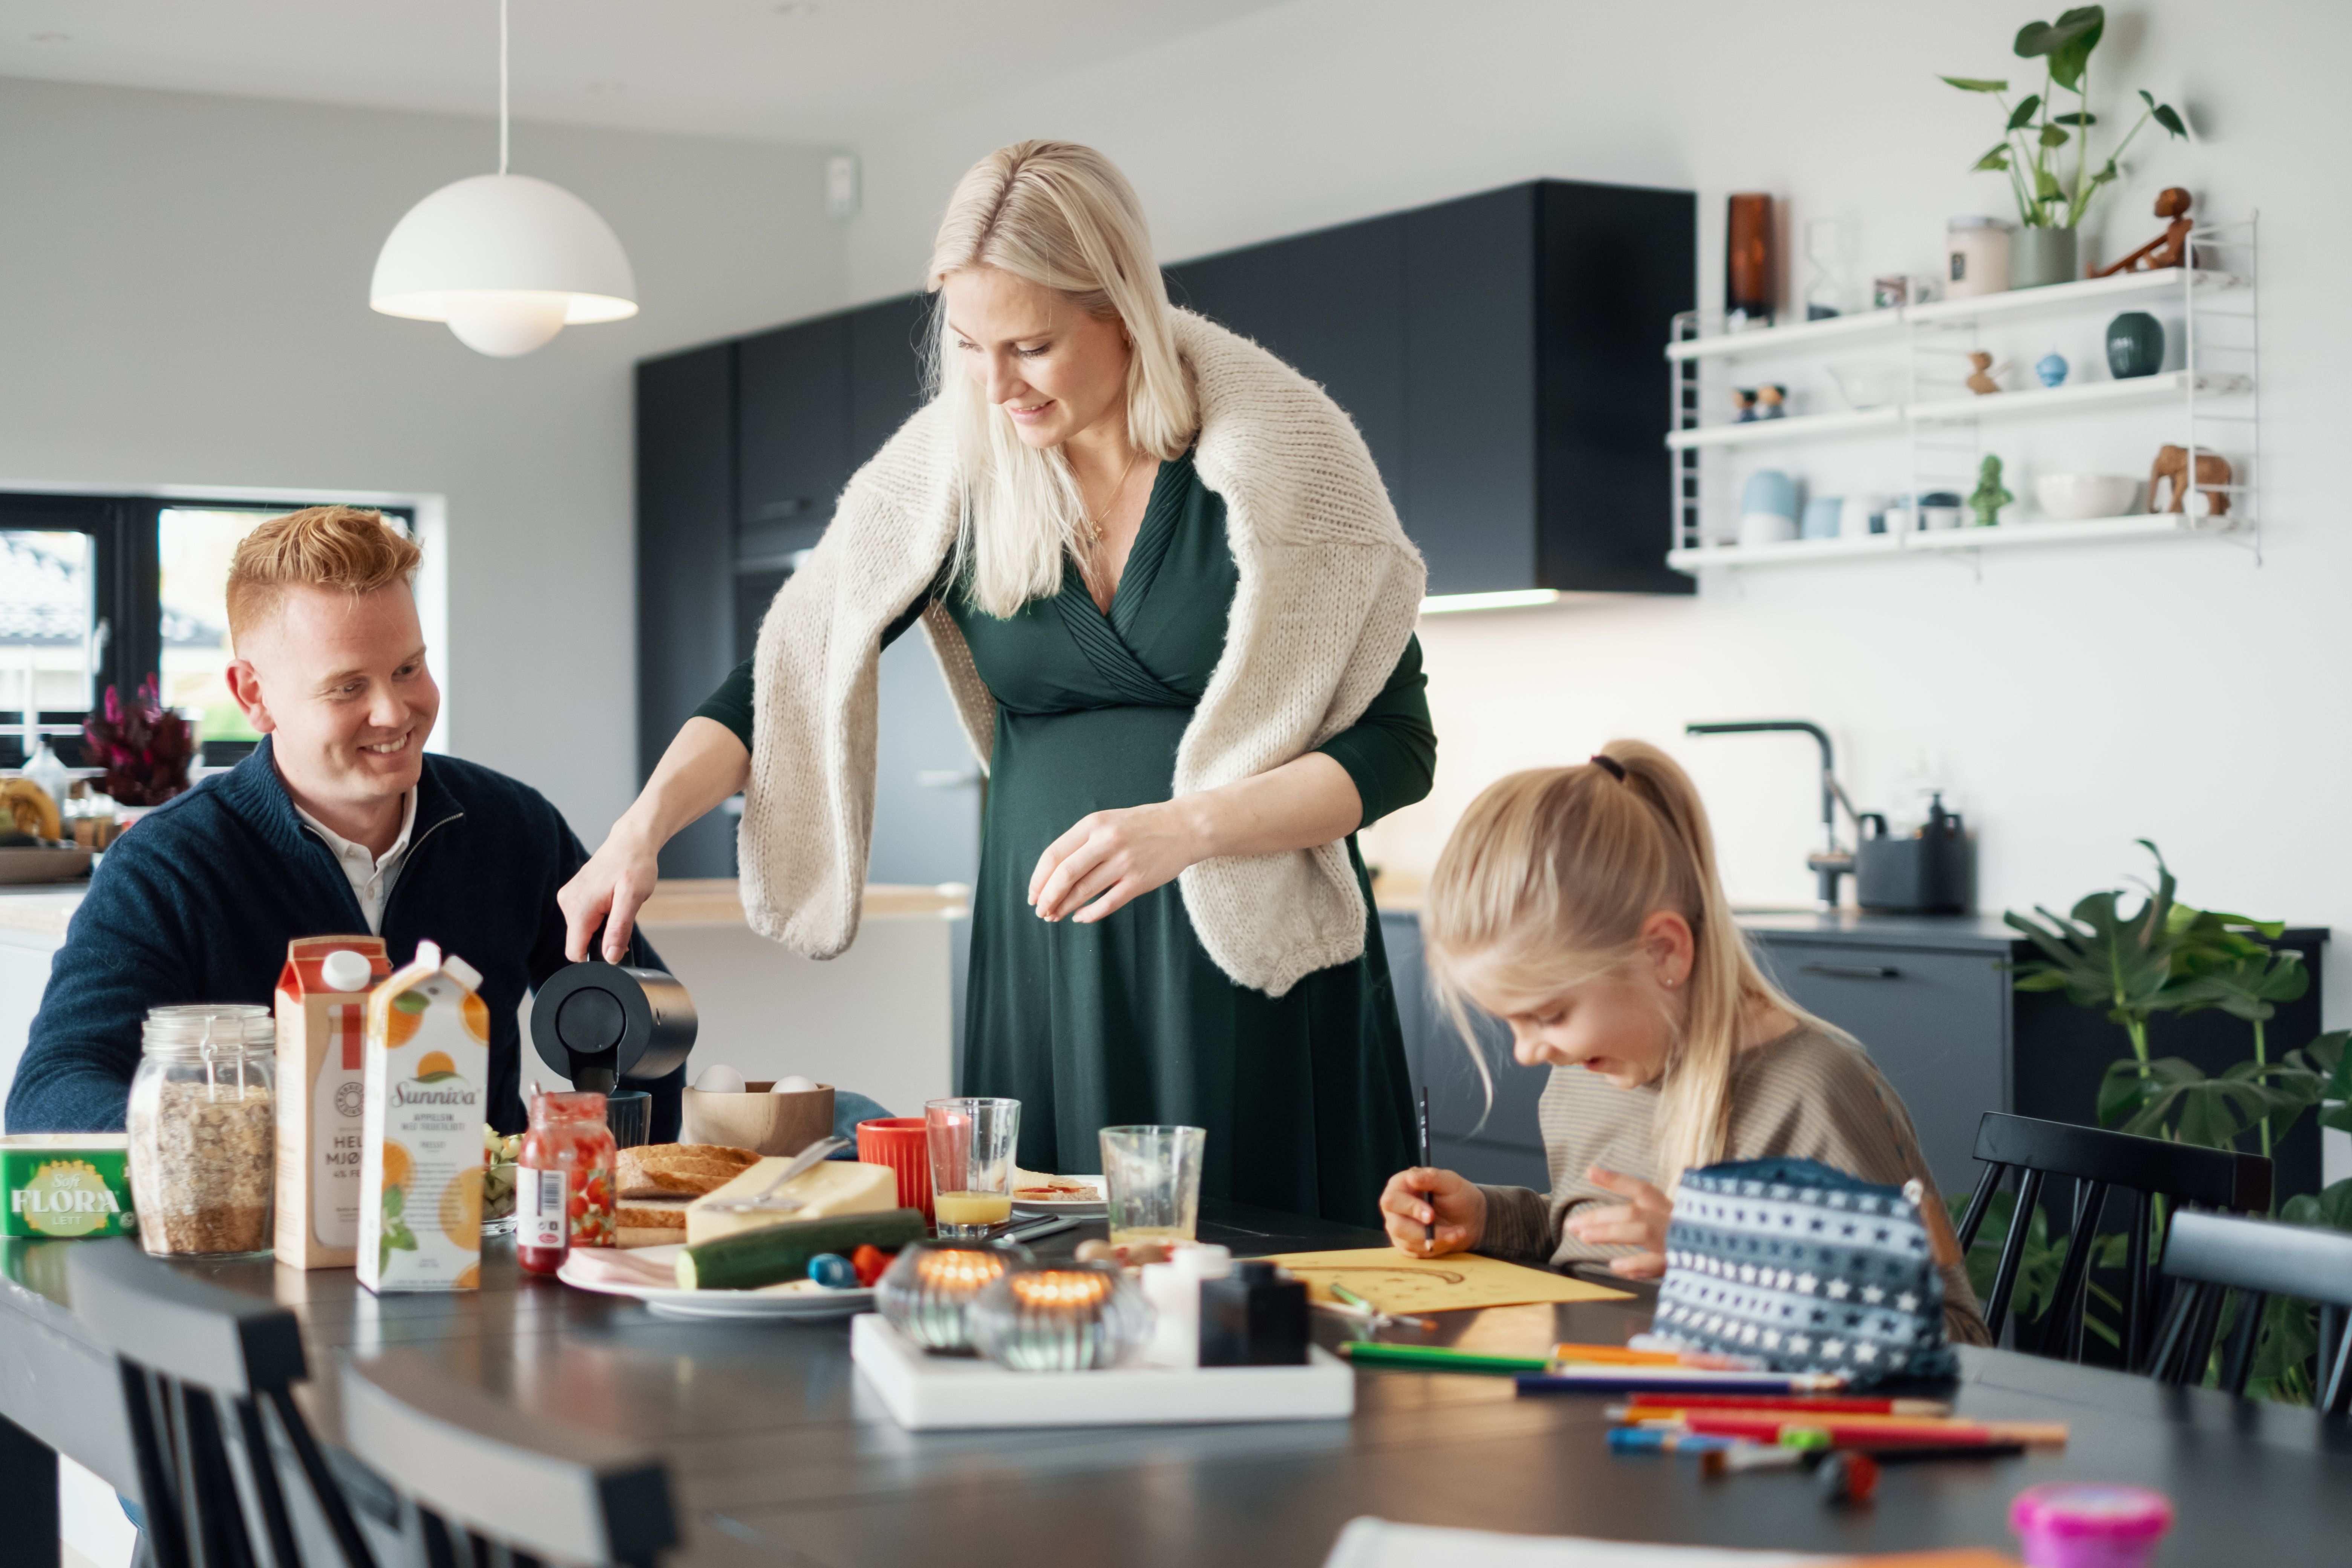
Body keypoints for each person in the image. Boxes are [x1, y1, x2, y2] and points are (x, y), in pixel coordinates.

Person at [560, 141, 1433, 1227]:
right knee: (1046, 1272)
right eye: (969, 346)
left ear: (1122, 311)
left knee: (1270, 1288)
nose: (995, 384)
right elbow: (783, 677)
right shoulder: (952, 473)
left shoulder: (1286, 461)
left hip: (1253, 967)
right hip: (1047, 956)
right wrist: (639, 829)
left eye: (1031, 346)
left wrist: (1191, 827)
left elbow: (1399, 747)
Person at [6, 507, 682, 1138]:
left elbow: (647, 1032)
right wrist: (237, 1141)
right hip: (257, 1254)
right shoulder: (169, 865)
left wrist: (605, 1190)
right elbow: (53, 1093)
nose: (394, 712)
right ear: (254, 694)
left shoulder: (514, 827)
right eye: (347, 686)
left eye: (409, 668)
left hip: (476, 1246)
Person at [1376, 745, 1988, 1344]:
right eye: (1510, 1023)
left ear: (1664, 951)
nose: (1528, 1053)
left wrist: (1724, 1262)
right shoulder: (1586, 1072)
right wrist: (1486, 1217)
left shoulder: (1814, 1091)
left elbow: (1958, 1342)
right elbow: (1595, 1235)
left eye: (1550, 1015)